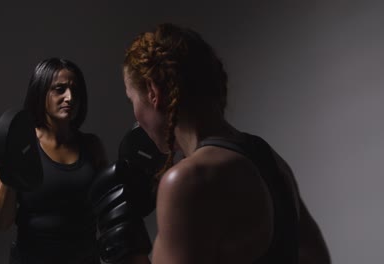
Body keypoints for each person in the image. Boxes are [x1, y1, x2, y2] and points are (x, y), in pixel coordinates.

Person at [122, 23, 331, 264]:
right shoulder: (268, 158)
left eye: (131, 101)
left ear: (152, 92)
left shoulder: (188, 180)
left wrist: (126, 249)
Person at [0, 58, 107, 264]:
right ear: (41, 93)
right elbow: (2, 221)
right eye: (59, 89)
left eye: (75, 91)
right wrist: (11, 164)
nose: (69, 97)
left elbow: (108, 208)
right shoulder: (20, 146)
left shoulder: (91, 146)